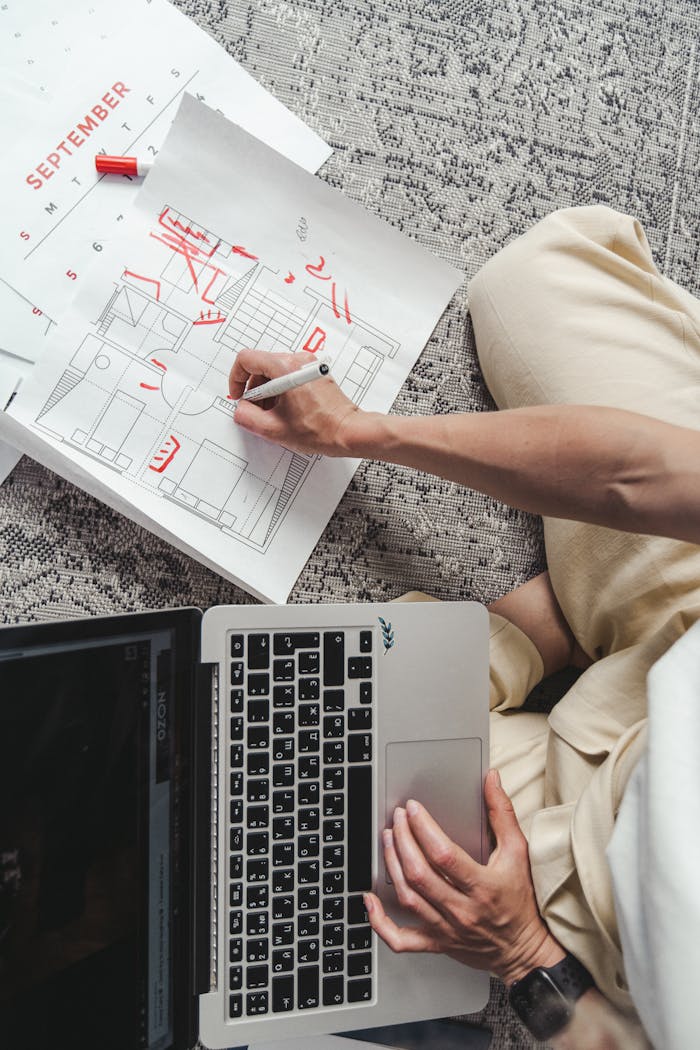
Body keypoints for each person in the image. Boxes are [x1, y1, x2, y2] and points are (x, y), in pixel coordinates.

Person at [229, 206, 700, 1047]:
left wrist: (524, 954)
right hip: (687, 625)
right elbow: (642, 474)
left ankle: (543, 623)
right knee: (536, 275)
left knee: (299, 757)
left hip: (594, 878)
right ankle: (558, 620)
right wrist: (359, 432)